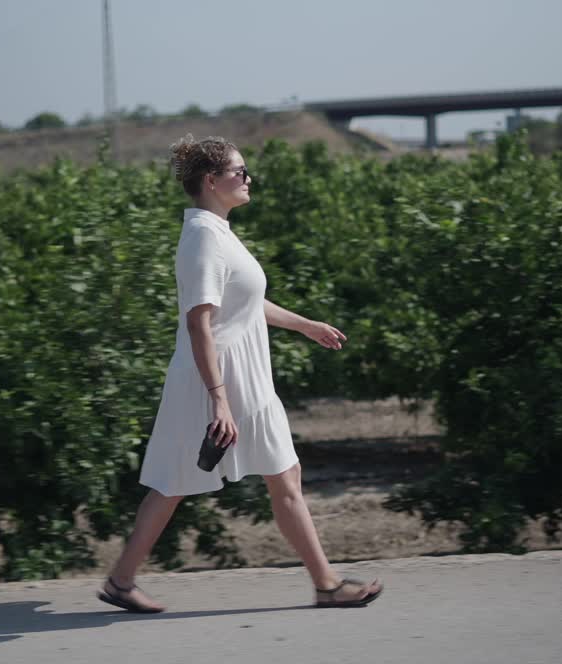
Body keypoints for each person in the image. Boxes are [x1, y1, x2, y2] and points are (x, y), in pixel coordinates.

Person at [97, 135, 384, 613]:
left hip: (240, 378)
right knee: (182, 481)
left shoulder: (219, 232)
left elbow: (246, 303)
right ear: (212, 181)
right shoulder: (204, 239)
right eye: (240, 171)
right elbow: (199, 322)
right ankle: (326, 585)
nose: (249, 178)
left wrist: (305, 325)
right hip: (216, 380)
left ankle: (122, 581)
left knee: (264, 475)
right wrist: (219, 398)